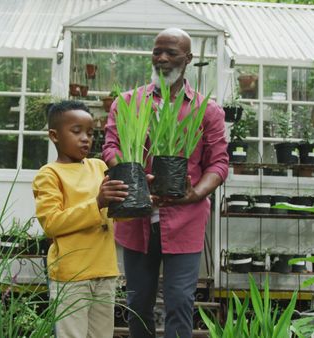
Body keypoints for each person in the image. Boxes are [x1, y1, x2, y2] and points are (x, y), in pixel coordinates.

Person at [102, 28, 229, 338]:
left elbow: (219, 163)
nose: (161, 58)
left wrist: (194, 193)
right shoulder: (128, 103)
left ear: (188, 59)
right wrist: (134, 179)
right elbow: (111, 147)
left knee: (180, 301)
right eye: (157, 51)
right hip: (137, 218)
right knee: (137, 301)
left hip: (186, 219)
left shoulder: (206, 110)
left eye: (171, 52)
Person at [33, 100, 129, 338]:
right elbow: (52, 223)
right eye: (76, 132)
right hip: (71, 276)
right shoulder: (50, 174)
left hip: (105, 271)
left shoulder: (98, 166)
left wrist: (142, 195)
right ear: (54, 135)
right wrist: (97, 203)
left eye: (90, 132)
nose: (85, 138)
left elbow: (114, 215)